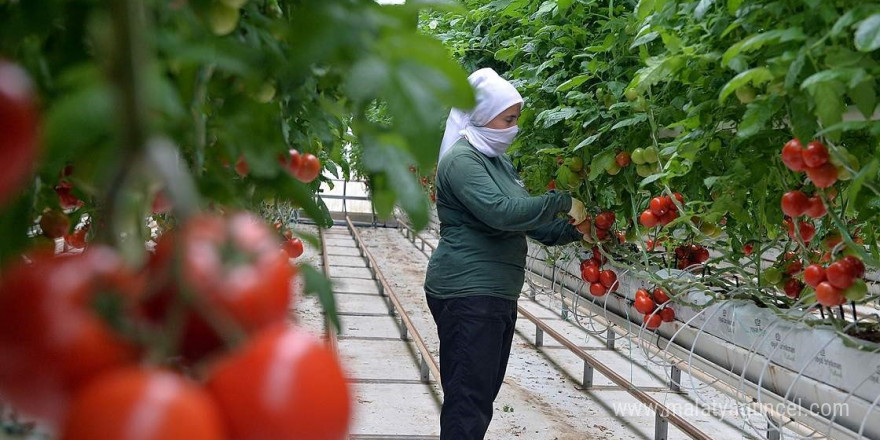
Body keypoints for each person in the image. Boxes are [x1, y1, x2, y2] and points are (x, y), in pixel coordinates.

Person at [424, 67, 588, 440]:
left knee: (479, 395)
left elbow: (530, 223)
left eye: (516, 119)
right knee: (469, 400)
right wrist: (562, 201)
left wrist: (578, 232)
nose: (513, 128)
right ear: (483, 114)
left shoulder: (499, 162)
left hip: (494, 295)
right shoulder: (462, 160)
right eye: (508, 118)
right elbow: (502, 211)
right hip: (469, 292)